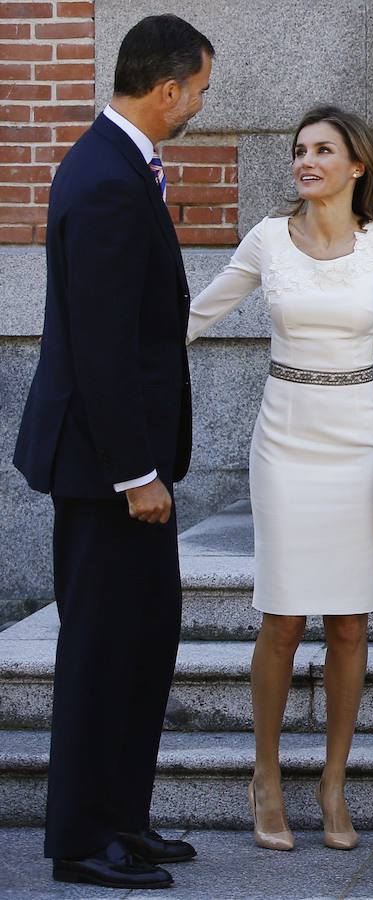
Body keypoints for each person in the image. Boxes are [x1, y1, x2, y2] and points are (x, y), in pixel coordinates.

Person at [187, 106, 373, 852]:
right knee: (284, 617)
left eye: (323, 149)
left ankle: (332, 782)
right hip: (286, 443)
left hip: (355, 441)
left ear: (356, 165)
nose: (306, 160)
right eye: (300, 149)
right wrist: (113, 347)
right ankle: (265, 776)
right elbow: (195, 314)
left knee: (351, 622)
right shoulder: (269, 238)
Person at [13, 14, 214, 890]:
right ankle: (79, 841)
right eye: (201, 91)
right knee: (101, 651)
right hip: (106, 472)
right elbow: (99, 344)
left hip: (129, 465)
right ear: (166, 89)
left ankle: (123, 817)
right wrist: (137, 474)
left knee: (144, 642)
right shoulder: (102, 177)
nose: (202, 106)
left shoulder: (117, 163)